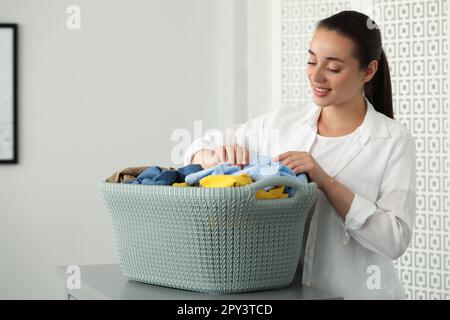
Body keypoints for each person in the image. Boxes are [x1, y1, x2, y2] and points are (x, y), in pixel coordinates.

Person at [183, 10, 416, 300]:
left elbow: (394, 240)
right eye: (311, 61)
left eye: (333, 68)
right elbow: (191, 152)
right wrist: (210, 158)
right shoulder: (282, 123)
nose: (316, 76)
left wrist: (326, 182)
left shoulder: (393, 140)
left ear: (368, 71)